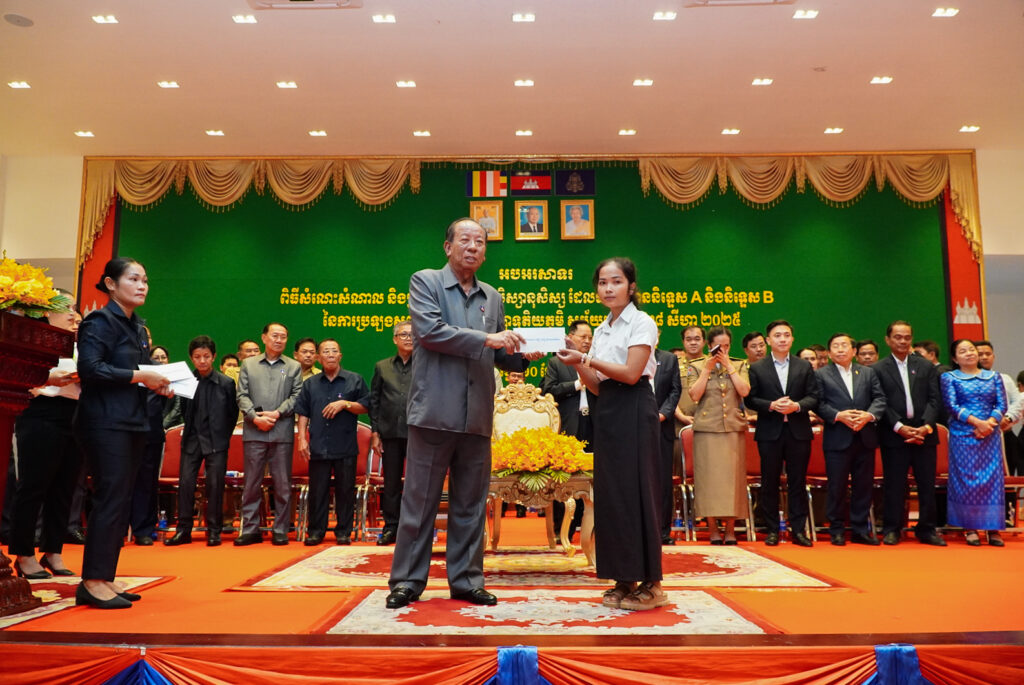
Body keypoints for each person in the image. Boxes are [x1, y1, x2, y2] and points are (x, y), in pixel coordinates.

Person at [386, 218, 538, 610]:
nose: (473, 247)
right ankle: (407, 581)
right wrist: (488, 339)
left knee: (471, 503)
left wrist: (524, 354)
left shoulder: (492, 296)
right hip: (434, 413)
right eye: (465, 240)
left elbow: (500, 355)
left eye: (480, 242)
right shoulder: (426, 282)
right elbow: (431, 332)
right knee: (420, 502)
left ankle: (467, 581)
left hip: (477, 416)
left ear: (486, 252)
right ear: (448, 246)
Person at [556, 257, 665, 611]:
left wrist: (586, 358)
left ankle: (652, 583)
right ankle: (623, 578)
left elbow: (632, 373)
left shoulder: (642, 322)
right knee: (614, 495)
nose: (608, 288)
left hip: (635, 407)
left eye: (616, 281)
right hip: (608, 410)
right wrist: (577, 362)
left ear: (631, 286)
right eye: (602, 283)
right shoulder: (602, 329)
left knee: (638, 492)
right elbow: (597, 386)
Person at [74, 257, 172, 609]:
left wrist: (158, 382)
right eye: (133, 279)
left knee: (122, 498)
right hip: (105, 421)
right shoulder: (99, 321)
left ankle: (106, 576)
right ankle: (92, 581)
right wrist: (140, 376)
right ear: (111, 284)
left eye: (145, 280)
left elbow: (135, 371)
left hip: (133, 420)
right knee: (109, 497)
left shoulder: (137, 327)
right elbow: (90, 369)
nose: (142, 285)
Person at [7, 299, 81, 580]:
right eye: (67, 309)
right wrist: (50, 378)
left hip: (74, 414)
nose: (73, 315)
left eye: (75, 310)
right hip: (40, 413)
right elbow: (18, 372)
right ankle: (24, 554)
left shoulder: (77, 346)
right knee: (33, 486)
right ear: (47, 313)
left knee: (64, 487)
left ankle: (53, 551)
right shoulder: (32, 340)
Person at [746, 319, 818, 547]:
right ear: (768, 340)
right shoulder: (757, 367)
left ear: (792, 339)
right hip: (770, 432)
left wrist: (796, 406)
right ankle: (772, 530)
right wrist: (771, 405)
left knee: (797, 482)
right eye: (777, 336)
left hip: (798, 431)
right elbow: (750, 399)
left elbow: (814, 396)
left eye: (786, 335)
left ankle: (798, 530)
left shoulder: (803, 366)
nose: (782, 339)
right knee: (770, 482)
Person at [873, 321, 946, 546]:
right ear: (888, 340)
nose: (903, 341)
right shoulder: (878, 368)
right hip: (894, 434)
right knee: (894, 485)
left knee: (926, 484)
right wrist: (899, 427)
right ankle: (892, 529)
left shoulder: (925, 366)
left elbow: (935, 399)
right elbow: (881, 401)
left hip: (924, 434)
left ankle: (927, 529)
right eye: (898, 337)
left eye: (907, 337)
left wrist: (926, 426)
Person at [164, 336, 238, 547]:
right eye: (197, 357)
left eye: (206, 356)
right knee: (186, 484)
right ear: (191, 358)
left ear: (214, 357)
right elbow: (184, 411)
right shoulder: (187, 381)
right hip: (192, 439)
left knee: (215, 485)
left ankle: (214, 531)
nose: (202, 361)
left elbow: (232, 414)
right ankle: (183, 530)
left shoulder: (226, 383)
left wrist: (223, 435)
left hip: (217, 441)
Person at [295, 339, 369, 546]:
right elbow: (303, 412)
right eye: (325, 351)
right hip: (319, 444)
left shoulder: (354, 380)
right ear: (319, 358)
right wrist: (302, 438)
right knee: (318, 491)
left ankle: (343, 531)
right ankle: (316, 531)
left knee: (345, 491)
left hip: (345, 444)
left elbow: (366, 406)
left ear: (340, 356)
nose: (330, 354)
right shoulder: (310, 384)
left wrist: (345, 404)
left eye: (334, 351)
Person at [234, 322, 303, 546]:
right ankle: (250, 529)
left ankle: (280, 529)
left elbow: (297, 395)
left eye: (283, 336)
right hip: (255, 431)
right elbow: (241, 395)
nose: (279, 340)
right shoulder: (249, 364)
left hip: (281, 432)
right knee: (251, 483)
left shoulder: (293, 366)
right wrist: (255, 417)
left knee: (282, 484)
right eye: (275, 335)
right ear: (264, 338)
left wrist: (277, 413)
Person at [815, 333, 886, 546]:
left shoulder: (867, 372)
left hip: (865, 436)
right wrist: (839, 416)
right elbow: (818, 403)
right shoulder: (821, 375)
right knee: (836, 486)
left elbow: (880, 398)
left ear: (854, 351)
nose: (840, 349)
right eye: (835, 346)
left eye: (844, 345)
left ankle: (860, 529)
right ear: (829, 353)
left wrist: (868, 416)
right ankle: (836, 529)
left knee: (863, 486)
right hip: (837, 436)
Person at [940, 339, 1008, 546]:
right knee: (967, 480)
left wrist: (989, 423)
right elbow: (951, 406)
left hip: (990, 435)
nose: (969, 353)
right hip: (963, 435)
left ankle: (993, 528)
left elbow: (1002, 404)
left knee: (992, 480)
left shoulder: (994, 376)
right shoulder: (949, 378)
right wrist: (977, 423)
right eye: (963, 351)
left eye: (971, 350)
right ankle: (970, 527)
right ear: (955, 358)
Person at [687, 326, 750, 546]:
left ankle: (731, 529)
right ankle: (712, 528)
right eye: (717, 346)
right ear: (709, 346)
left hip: (732, 428)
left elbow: (744, 391)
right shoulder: (696, 366)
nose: (722, 350)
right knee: (709, 480)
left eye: (726, 346)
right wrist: (707, 369)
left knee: (733, 480)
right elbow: (694, 395)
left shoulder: (739, 365)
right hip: (707, 429)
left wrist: (729, 366)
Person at [541, 320, 595, 542]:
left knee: (589, 477)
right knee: (563, 479)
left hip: (593, 425)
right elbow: (548, 390)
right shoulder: (557, 362)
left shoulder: (595, 361)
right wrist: (576, 385)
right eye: (583, 337)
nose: (587, 341)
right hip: (568, 425)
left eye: (590, 337)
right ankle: (561, 530)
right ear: (570, 338)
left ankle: (587, 525)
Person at [368, 320, 414, 546]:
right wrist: (375, 432)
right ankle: (391, 527)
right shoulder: (382, 366)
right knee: (391, 483)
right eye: (403, 334)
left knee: (417, 483)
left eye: (412, 335)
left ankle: (415, 527)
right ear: (395, 339)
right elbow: (374, 401)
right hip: (390, 433)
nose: (408, 338)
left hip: (418, 434)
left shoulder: (427, 365)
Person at [974, 340, 1024, 476]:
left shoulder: (1004, 379)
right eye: (980, 354)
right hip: (977, 436)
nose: (984, 357)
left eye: (988, 354)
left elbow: (1018, 402)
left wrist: (1008, 418)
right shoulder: (965, 381)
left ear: (993, 357)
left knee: (1008, 477)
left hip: (1005, 434)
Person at [653, 336, 682, 545]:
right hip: (634, 427)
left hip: (662, 427)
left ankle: (663, 531)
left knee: (662, 481)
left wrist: (663, 414)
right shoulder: (627, 357)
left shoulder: (668, 359)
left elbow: (675, 390)